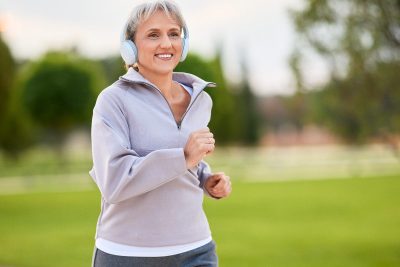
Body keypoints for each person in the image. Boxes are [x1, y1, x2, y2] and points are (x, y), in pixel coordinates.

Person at [89, 1, 232, 266]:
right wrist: (184, 157)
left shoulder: (201, 100)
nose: (166, 43)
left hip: (196, 249)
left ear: (183, 43)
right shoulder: (112, 101)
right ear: (130, 47)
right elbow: (114, 181)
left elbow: (187, 161)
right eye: (153, 35)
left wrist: (205, 177)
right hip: (128, 254)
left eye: (174, 33)